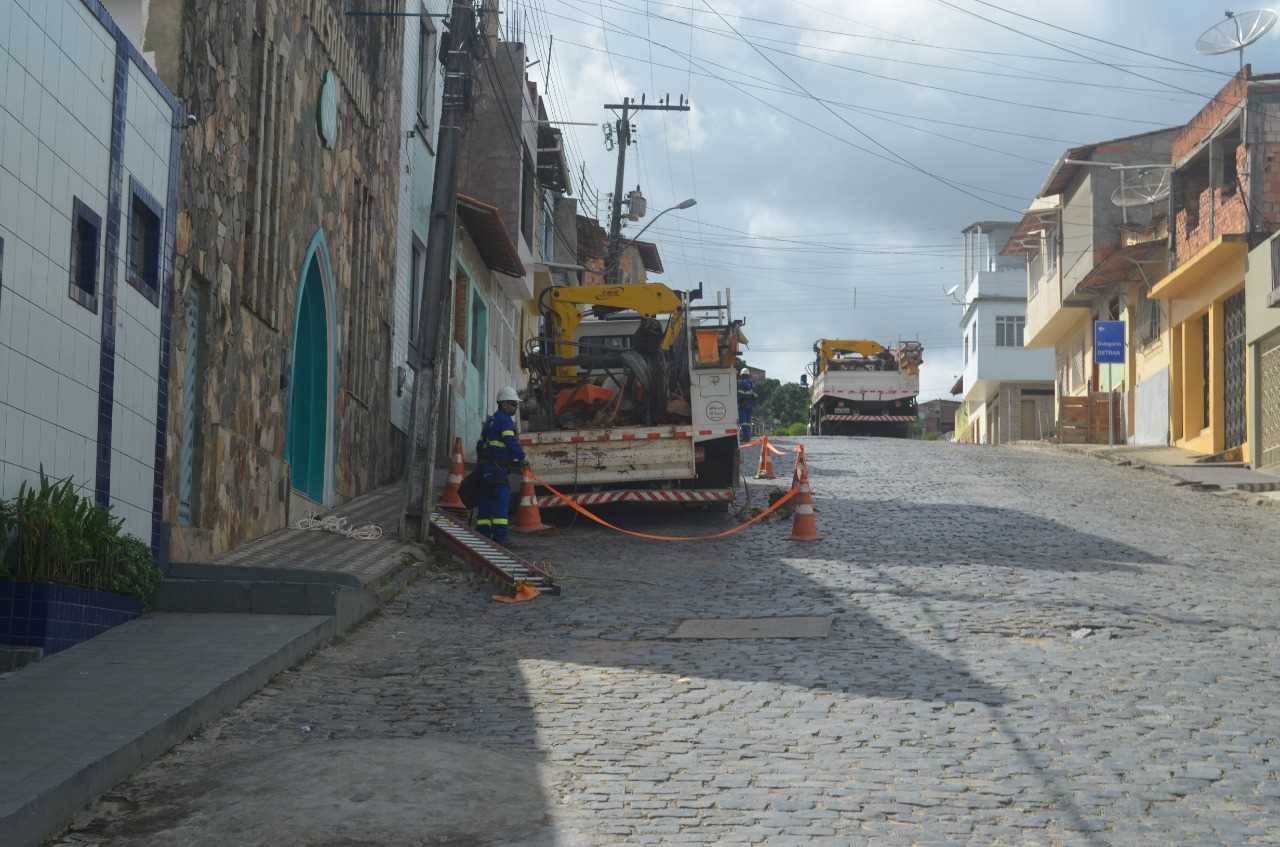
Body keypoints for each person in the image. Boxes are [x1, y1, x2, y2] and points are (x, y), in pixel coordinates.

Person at [476, 386, 526, 544]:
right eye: (513, 404)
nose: (515, 407)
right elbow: (511, 442)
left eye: (516, 404)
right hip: (498, 469)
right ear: (503, 404)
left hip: (486, 468)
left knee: (486, 500)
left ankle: (483, 534)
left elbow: (480, 444)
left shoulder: (491, 420)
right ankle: (500, 537)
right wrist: (522, 458)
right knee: (501, 501)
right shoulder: (505, 421)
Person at [737, 367, 757, 443]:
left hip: (742, 406)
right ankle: (748, 437)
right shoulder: (751, 383)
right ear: (748, 375)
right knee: (748, 422)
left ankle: (745, 438)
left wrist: (737, 403)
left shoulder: (740, 383)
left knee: (744, 422)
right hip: (749, 406)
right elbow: (754, 395)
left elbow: (739, 395)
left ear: (742, 375)